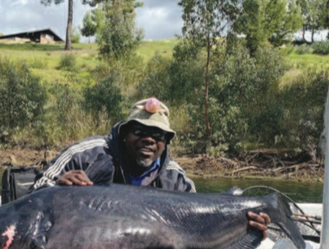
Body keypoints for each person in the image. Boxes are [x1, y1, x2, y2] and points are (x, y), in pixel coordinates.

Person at [33, 97, 270, 238]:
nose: (149, 139)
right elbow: (35, 192)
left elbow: (200, 226)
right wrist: (57, 186)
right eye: (140, 131)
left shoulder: (177, 180)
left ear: (165, 142)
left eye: (158, 135)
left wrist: (244, 228)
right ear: (125, 134)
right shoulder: (86, 155)